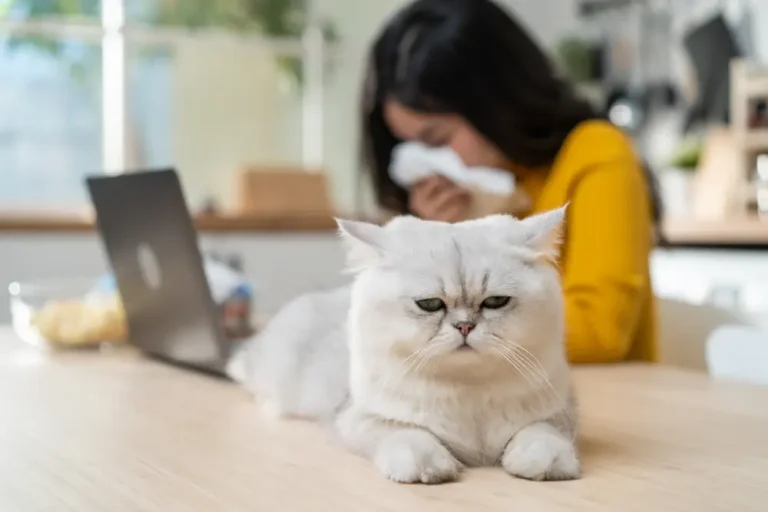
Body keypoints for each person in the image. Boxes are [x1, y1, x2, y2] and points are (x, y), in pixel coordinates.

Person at [360, 0, 660, 364]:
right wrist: (437, 241)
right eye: (412, 148)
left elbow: (600, 333)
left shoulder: (596, 154)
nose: (431, 164)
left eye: (437, 141)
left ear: (494, 101)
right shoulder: (481, 195)